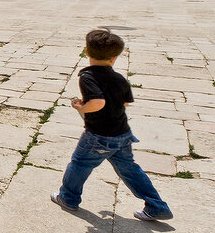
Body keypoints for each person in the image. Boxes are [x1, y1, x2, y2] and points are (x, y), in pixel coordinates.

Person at [51, 29, 173, 222]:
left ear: (86, 51)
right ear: (115, 57)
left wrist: (82, 107)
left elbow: (98, 102)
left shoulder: (88, 76)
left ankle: (68, 197)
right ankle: (156, 205)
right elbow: (123, 103)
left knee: (80, 164)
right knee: (129, 169)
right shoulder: (119, 78)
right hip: (122, 134)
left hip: (99, 136)